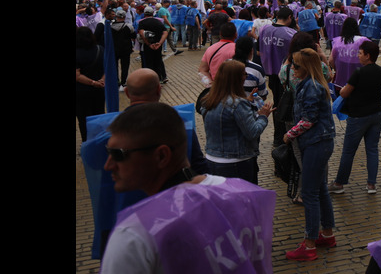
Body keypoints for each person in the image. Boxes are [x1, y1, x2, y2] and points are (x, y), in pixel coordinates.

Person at [101, 103, 275, 273]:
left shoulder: (134, 235)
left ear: (162, 155)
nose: (108, 165)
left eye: (118, 154)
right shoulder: (244, 194)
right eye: (108, 153)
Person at [283, 48, 338, 262]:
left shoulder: (312, 87)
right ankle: (327, 234)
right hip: (317, 142)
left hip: (317, 142)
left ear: (305, 67)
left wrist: (289, 134)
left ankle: (309, 244)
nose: (292, 69)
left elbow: (309, 119)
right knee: (320, 189)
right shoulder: (310, 84)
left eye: (295, 66)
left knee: (310, 194)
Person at [200, 60, 273, 184]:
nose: (246, 76)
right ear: (237, 79)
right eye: (244, 74)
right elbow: (253, 132)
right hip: (237, 162)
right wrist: (263, 116)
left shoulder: (208, 100)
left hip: (212, 159)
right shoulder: (238, 104)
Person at [330, 40, 381, 195]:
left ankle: (339, 183)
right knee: (372, 149)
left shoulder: (359, 73)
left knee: (348, 150)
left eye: (360, 53)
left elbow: (343, 93)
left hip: (358, 115)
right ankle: (371, 184)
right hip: (377, 112)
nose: (358, 56)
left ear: (368, 56)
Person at [258, 7, 297, 144]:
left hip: (271, 73)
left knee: (278, 102)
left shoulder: (264, 30)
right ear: (290, 17)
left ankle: (278, 135)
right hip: (286, 75)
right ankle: (285, 136)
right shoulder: (291, 33)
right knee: (286, 104)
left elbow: (259, 49)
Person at [76, 26, 105, 142]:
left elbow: (77, 75)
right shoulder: (101, 49)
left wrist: (92, 83)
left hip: (81, 91)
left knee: (83, 119)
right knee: (99, 116)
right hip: (99, 90)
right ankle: (100, 141)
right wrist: (101, 81)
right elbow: (107, 68)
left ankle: (87, 143)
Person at [330, 17, 370, 90]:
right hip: (361, 82)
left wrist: (337, 69)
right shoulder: (364, 40)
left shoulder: (337, 41)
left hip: (341, 81)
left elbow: (331, 60)